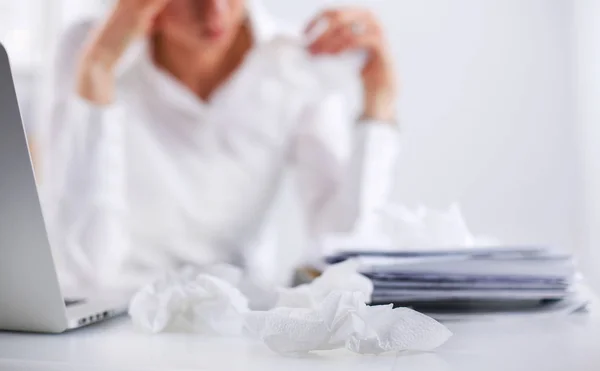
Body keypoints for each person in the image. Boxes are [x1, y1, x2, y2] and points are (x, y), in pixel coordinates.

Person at [37, 0, 400, 293]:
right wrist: (98, 69)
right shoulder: (90, 48)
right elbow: (82, 267)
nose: (215, 11)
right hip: (112, 313)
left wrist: (379, 101)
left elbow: (343, 242)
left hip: (235, 315)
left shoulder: (294, 63)